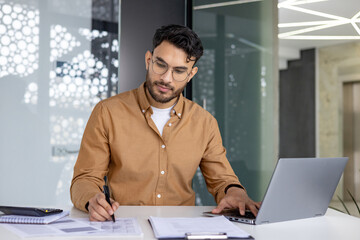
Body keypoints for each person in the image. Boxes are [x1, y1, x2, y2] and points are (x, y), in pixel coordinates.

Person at [70, 24, 260, 221]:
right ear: (148, 60)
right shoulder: (107, 112)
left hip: (180, 230)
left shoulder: (205, 123)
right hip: (124, 227)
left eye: (179, 71)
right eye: (160, 65)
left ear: (191, 74)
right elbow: (85, 179)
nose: (166, 78)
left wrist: (236, 193)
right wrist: (92, 199)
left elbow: (223, 180)